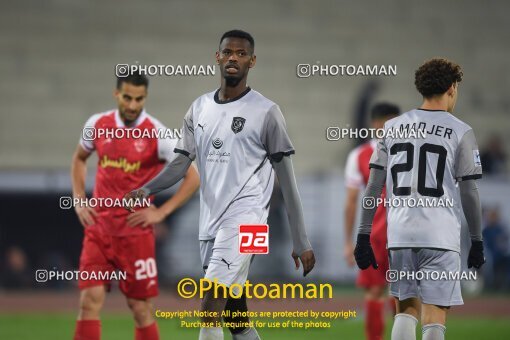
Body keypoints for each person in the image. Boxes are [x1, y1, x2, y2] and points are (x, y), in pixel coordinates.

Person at [125, 29, 316, 340]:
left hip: (247, 222)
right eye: (228, 52)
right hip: (211, 222)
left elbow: (287, 179)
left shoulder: (267, 112)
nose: (233, 58)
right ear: (217, 57)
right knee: (236, 314)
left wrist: (301, 240)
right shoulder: (199, 108)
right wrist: (147, 189)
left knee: (210, 306)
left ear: (252, 61)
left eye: (241, 54)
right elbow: (180, 164)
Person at [354, 58, 485, 340]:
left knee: (405, 310)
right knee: (434, 316)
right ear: (452, 88)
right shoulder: (461, 130)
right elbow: (469, 192)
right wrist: (477, 239)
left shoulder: (393, 127)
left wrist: (363, 234)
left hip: (400, 235)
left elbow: (374, 186)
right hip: (440, 236)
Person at [71, 73, 200, 340]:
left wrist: (162, 212)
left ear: (145, 97)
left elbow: (193, 176)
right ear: (117, 94)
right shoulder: (97, 124)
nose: (132, 105)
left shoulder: (158, 133)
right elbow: (80, 158)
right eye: (127, 97)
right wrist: (78, 199)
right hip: (99, 230)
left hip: (135, 234)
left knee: (140, 308)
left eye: (139, 99)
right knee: (88, 302)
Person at [344, 103, 401, 340]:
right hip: (397, 233)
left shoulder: (359, 156)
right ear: (377, 124)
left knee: (378, 292)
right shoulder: (410, 151)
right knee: (402, 293)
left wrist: (349, 242)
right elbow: (351, 202)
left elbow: (351, 202)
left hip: (378, 234)